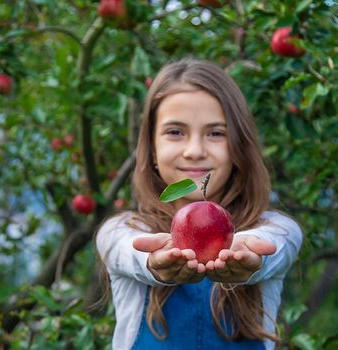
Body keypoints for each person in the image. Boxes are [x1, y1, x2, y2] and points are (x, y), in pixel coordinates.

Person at [95, 58, 303, 349]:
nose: (195, 151)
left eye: (216, 133)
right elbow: (129, 253)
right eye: (175, 132)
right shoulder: (121, 230)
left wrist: (241, 253)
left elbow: (271, 247)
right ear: (152, 149)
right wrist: (155, 264)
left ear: (238, 147)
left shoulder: (277, 228)